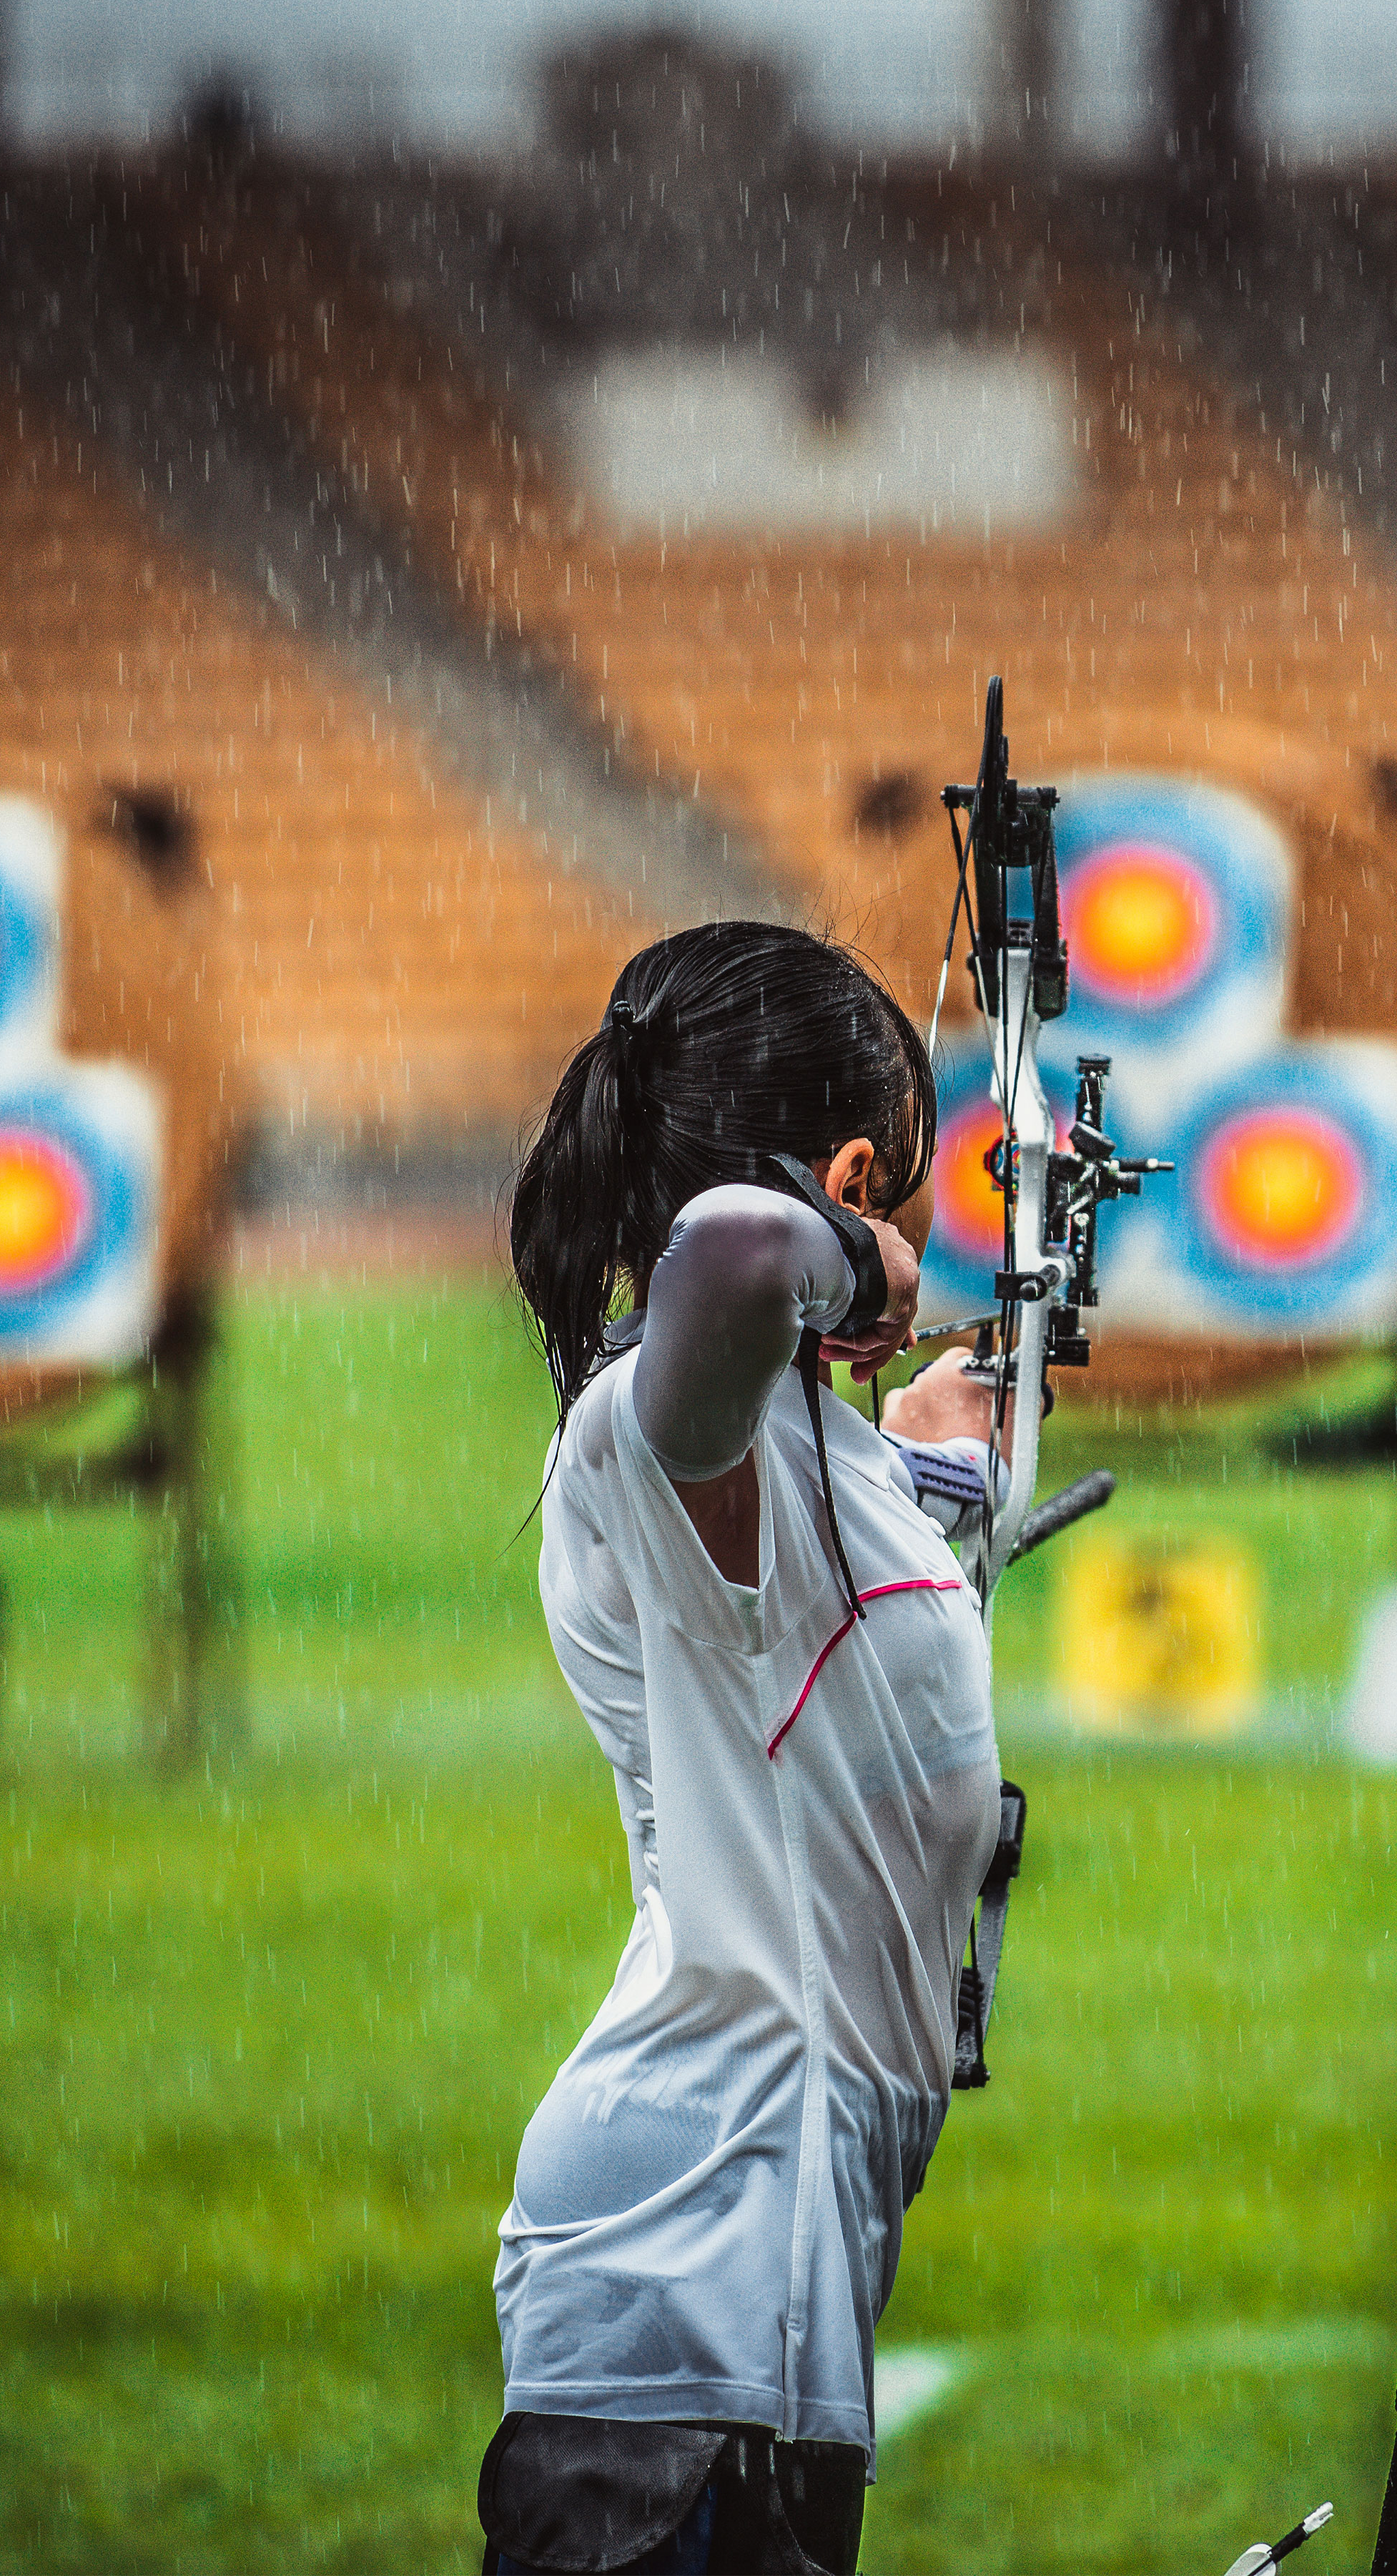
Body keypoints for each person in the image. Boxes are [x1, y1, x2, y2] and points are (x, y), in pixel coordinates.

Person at [481, 921, 1009, 2576]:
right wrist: (868, 1263)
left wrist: (929, 1469)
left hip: (760, 2287)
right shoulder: (645, 1418)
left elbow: (819, 1667)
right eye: (889, 1185)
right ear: (851, 1173)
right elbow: (733, 1261)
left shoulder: (792, 1448)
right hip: (680, 2279)